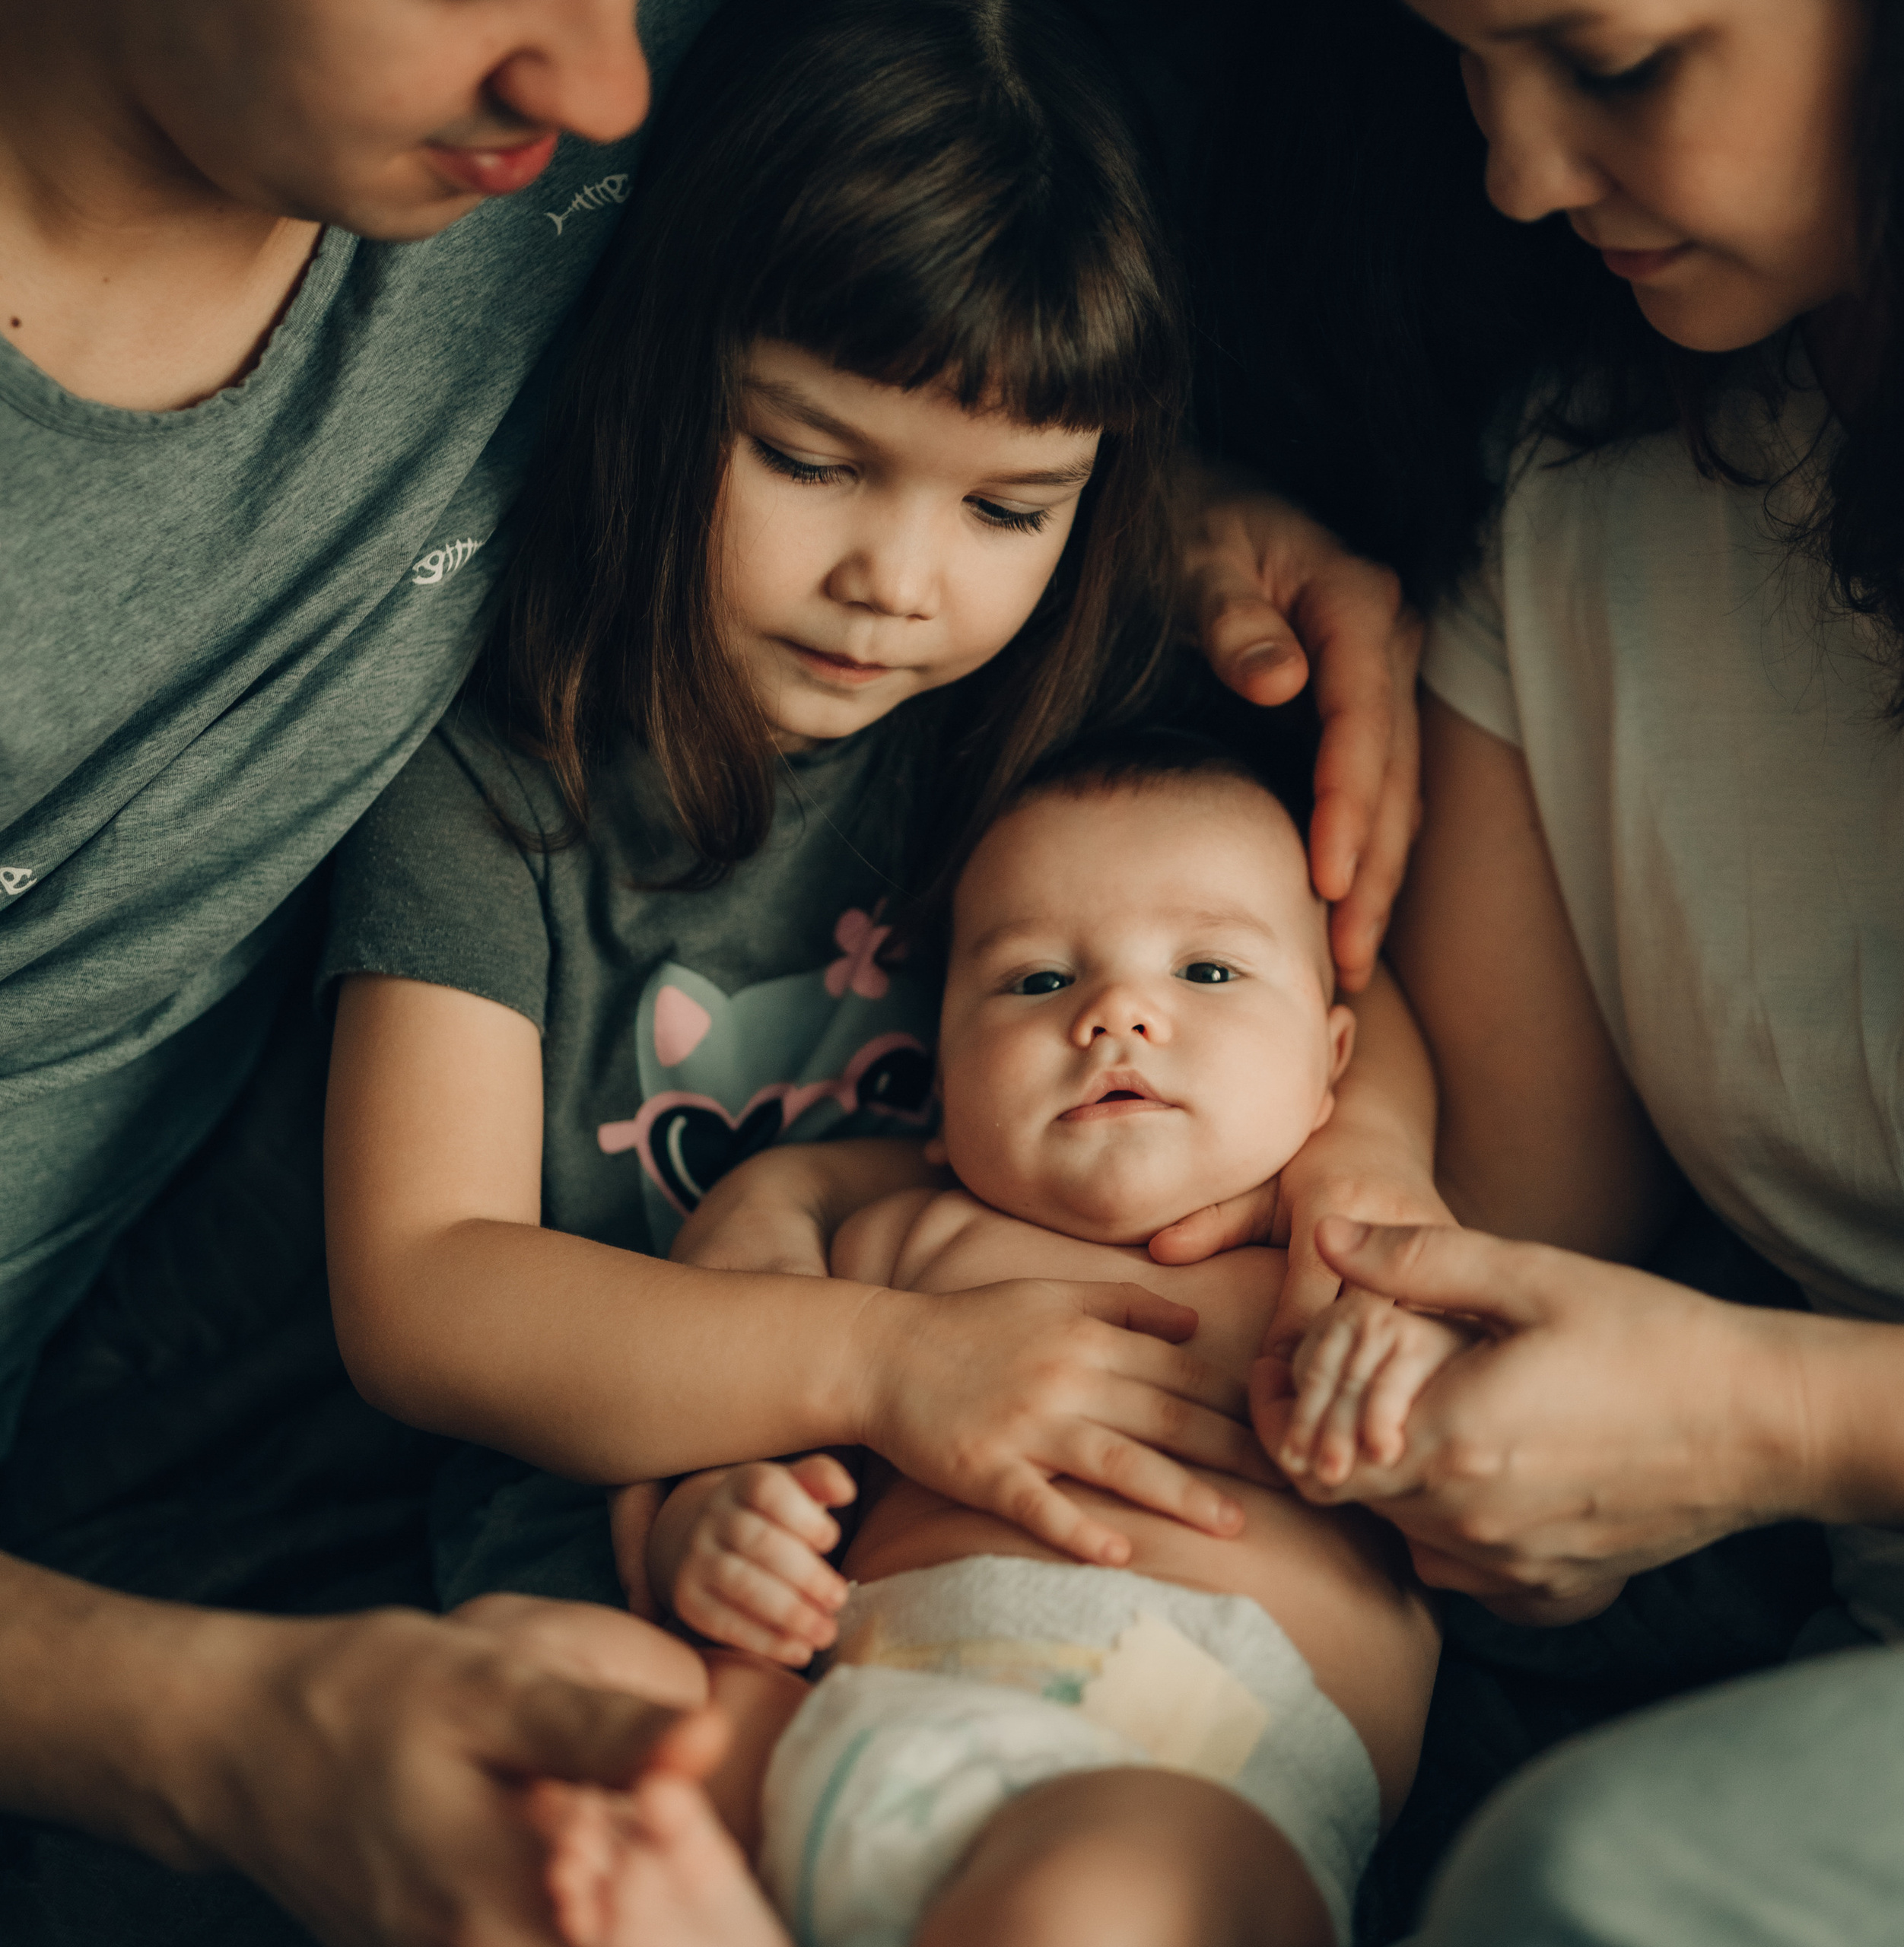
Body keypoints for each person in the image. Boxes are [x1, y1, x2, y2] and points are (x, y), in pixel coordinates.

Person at [0, 0, 1418, 1936]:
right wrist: (883, 1375)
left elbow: (1313, 981)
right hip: (638, 1566)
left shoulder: (1046, 742)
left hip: (1036, 1656)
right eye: (810, 462)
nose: (897, 582)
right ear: (658, 379)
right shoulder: (503, 785)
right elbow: (423, 1289)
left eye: (1006, 506)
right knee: (589, 1778)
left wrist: (1375, 1174)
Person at [1175, 0, 1904, 1939]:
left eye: (1611, 61)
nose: (1514, 174)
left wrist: (1768, 1421)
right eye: (1460, 57)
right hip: (1856, 1686)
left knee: (1596, 1876)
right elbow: (1503, 1221)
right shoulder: (1569, 500)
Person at [532, 733, 1441, 1947]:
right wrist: (726, 1523)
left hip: (1185, 1777)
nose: (1120, 1011)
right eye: (1036, 982)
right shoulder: (907, 1248)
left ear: (1334, 1066)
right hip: (835, 1737)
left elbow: (1512, 1468)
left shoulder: (1356, 1267)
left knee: (1096, 1903)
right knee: (545, 1669)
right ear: (943, 1088)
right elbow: (738, 1419)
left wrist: (1396, 1388)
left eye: (1211, 973)